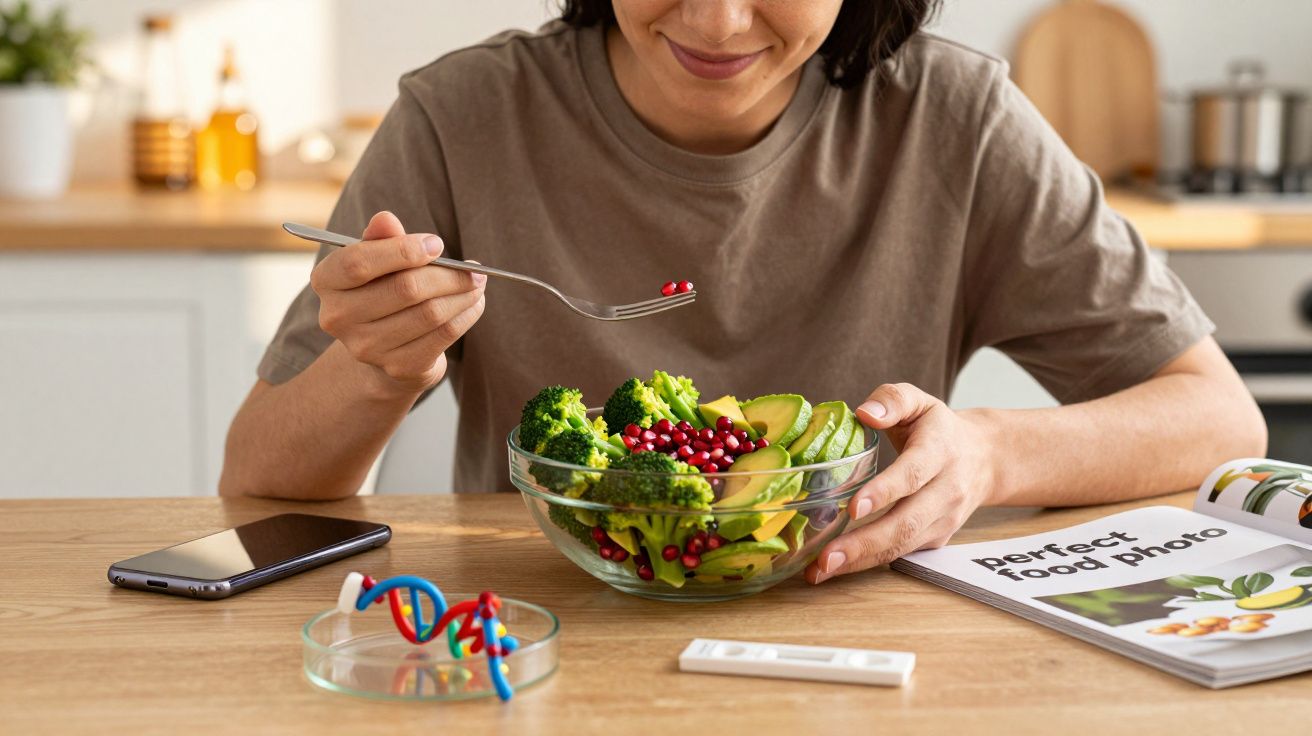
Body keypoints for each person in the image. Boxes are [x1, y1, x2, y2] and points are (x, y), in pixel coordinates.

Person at [220, 0, 1266, 585]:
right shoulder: (463, 117)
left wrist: (994, 451)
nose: (719, 20)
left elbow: (1217, 416)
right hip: (548, 642)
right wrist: (376, 363)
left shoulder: (956, 117)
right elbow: (261, 478)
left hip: (869, 649)